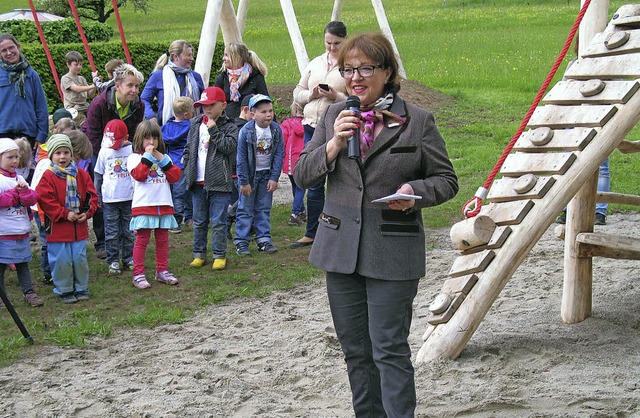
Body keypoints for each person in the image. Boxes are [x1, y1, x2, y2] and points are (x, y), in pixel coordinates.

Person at [294, 32, 458, 417]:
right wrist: (333, 145)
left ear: (387, 71)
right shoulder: (335, 115)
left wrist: (415, 191)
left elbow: (446, 180)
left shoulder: (417, 121)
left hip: (392, 251)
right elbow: (303, 175)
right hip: (340, 251)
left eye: (366, 68)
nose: (355, 77)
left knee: (388, 349)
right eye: (348, 69)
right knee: (356, 352)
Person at [290, 21, 349, 248]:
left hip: (338, 128)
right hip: (311, 126)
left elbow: (359, 98)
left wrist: (336, 96)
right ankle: (312, 232)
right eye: (328, 43)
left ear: (345, 40)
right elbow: (297, 92)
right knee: (313, 181)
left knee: (341, 180)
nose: (332, 48)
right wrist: (312, 94)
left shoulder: (350, 64)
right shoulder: (315, 63)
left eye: (337, 43)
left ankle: (339, 231)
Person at [82, 63, 145, 260]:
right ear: (117, 86)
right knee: (102, 193)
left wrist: (132, 154)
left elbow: (136, 134)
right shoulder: (99, 104)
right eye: (130, 85)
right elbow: (92, 136)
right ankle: (102, 241)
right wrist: (107, 156)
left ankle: (125, 240)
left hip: (126, 150)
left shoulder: (138, 105)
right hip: (101, 151)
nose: (134, 90)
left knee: (126, 193)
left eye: (136, 86)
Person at [36, 134, 99, 304]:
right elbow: (45, 199)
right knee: (61, 259)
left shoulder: (82, 174)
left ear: (71, 154)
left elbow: (91, 196)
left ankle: (81, 287)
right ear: (51, 156)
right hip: (58, 228)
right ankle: (64, 289)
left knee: (79, 259)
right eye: (58, 153)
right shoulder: (48, 176)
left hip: (78, 227)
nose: (62, 157)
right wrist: (65, 213)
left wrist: (87, 213)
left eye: (65, 152)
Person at [183, 86, 238, 270]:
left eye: (211, 105)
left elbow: (229, 148)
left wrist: (214, 131)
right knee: (199, 220)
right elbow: (189, 148)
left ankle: (219, 254)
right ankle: (199, 254)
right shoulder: (196, 124)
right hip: (197, 181)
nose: (207, 109)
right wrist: (187, 164)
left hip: (219, 182)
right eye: (203, 105)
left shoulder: (230, 126)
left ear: (223, 105)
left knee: (219, 221)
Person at [127, 120, 181, 289]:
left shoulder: (164, 159)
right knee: (142, 240)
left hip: (163, 204)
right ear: (139, 139)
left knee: (163, 240)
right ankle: (138, 274)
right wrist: (148, 157)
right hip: (144, 205)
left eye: (154, 138)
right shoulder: (134, 158)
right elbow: (139, 175)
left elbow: (175, 176)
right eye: (147, 138)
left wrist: (161, 159)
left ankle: (162, 270)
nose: (151, 143)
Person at [234, 94, 284, 256]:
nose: (269, 115)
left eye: (270, 111)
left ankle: (263, 239)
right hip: (250, 176)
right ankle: (242, 241)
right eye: (263, 112)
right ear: (252, 114)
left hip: (266, 175)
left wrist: (274, 178)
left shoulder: (276, 130)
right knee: (245, 208)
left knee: (263, 207)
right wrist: (244, 182)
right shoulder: (246, 131)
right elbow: (240, 159)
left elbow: (278, 155)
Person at [0, 138, 43, 308]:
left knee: (22, 263)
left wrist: (24, 192)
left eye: (17, 157)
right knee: (1, 264)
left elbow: (32, 198)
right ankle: (2, 295)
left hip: (20, 230)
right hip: (4, 231)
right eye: (10, 157)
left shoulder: (20, 178)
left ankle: (29, 292)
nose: (15, 161)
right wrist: (12, 195)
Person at [94, 119, 135, 275]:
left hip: (129, 197)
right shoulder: (104, 151)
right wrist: (97, 195)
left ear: (126, 138)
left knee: (129, 230)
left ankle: (128, 258)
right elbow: (98, 174)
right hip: (110, 199)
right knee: (111, 232)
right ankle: (113, 260)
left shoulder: (132, 150)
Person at [0, 33, 49, 152]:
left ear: (18, 47)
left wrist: (41, 134)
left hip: (27, 135)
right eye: (4, 50)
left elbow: (41, 106)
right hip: (3, 134)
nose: (9, 53)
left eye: (11, 48)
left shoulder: (31, 75)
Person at [141, 40, 204, 126]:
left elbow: (203, 102)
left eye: (192, 55)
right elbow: (144, 99)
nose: (192, 58)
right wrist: (151, 117)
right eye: (188, 55)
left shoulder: (196, 77)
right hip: (166, 130)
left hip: (193, 129)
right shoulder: (158, 76)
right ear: (176, 57)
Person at [161, 96, 195, 232]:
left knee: (174, 192)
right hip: (183, 162)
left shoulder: (166, 127)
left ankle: (183, 217)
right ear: (187, 114)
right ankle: (177, 220)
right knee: (183, 192)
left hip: (169, 163)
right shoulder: (190, 126)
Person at [214, 41, 269, 120]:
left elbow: (265, 102)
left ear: (238, 57)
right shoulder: (222, 78)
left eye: (226, 55)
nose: (223, 58)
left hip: (250, 123)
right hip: (227, 124)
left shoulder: (256, 77)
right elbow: (216, 104)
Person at [281, 101, 306, 226]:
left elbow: (282, 141)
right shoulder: (309, 125)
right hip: (302, 160)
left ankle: (300, 210)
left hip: (290, 161)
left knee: (295, 186)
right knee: (301, 187)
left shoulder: (287, 124)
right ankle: (296, 213)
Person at [61, 50, 95, 117]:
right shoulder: (65, 78)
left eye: (80, 64)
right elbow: (77, 89)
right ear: (68, 64)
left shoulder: (82, 79)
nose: (79, 67)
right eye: (76, 65)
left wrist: (96, 83)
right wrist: (92, 86)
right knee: (83, 122)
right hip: (73, 109)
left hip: (84, 107)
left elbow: (89, 94)